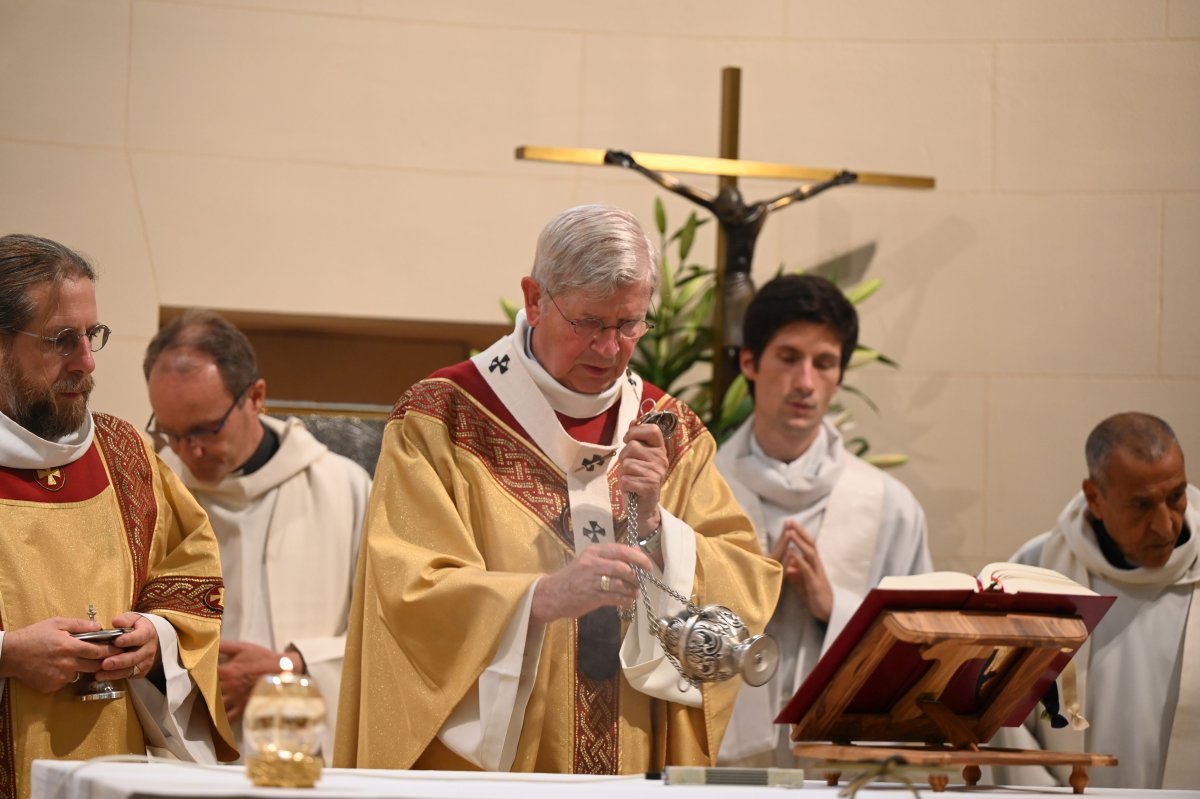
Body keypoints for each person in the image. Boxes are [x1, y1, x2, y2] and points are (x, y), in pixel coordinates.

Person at [335, 204, 781, 774]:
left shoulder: (670, 429)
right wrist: (536, 599)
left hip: (633, 757)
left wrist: (658, 530)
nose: (609, 348)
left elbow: (744, 588)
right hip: (498, 770)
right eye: (588, 323)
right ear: (535, 298)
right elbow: (404, 591)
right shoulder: (442, 418)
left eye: (629, 324)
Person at [0, 234, 236, 798]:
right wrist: (8, 654)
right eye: (61, 340)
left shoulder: (127, 455)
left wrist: (156, 637)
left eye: (91, 336)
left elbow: (190, 582)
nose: (85, 362)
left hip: (116, 767)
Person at [714, 273, 932, 766]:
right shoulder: (698, 491)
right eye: (789, 358)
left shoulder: (891, 506)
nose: (805, 382)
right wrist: (752, 596)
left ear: (840, 375)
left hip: (843, 767)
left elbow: (923, 653)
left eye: (825, 363)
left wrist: (833, 607)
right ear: (749, 362)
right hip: (721, 769)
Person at [143, 310, 370, 761]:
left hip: (306, 752)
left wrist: (297, 664)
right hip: (191, 755)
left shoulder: (344, 487)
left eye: (206, 428)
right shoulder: (156, 494)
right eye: (171, 433)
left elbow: (387, 632)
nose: (191, 451)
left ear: (256, 396)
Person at [991, 412, 1198, 790]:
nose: (1166, 524)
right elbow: (1003, 719)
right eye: (1141, 505)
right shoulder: (1034, 572)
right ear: (1095, 498)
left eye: (1175, 496)